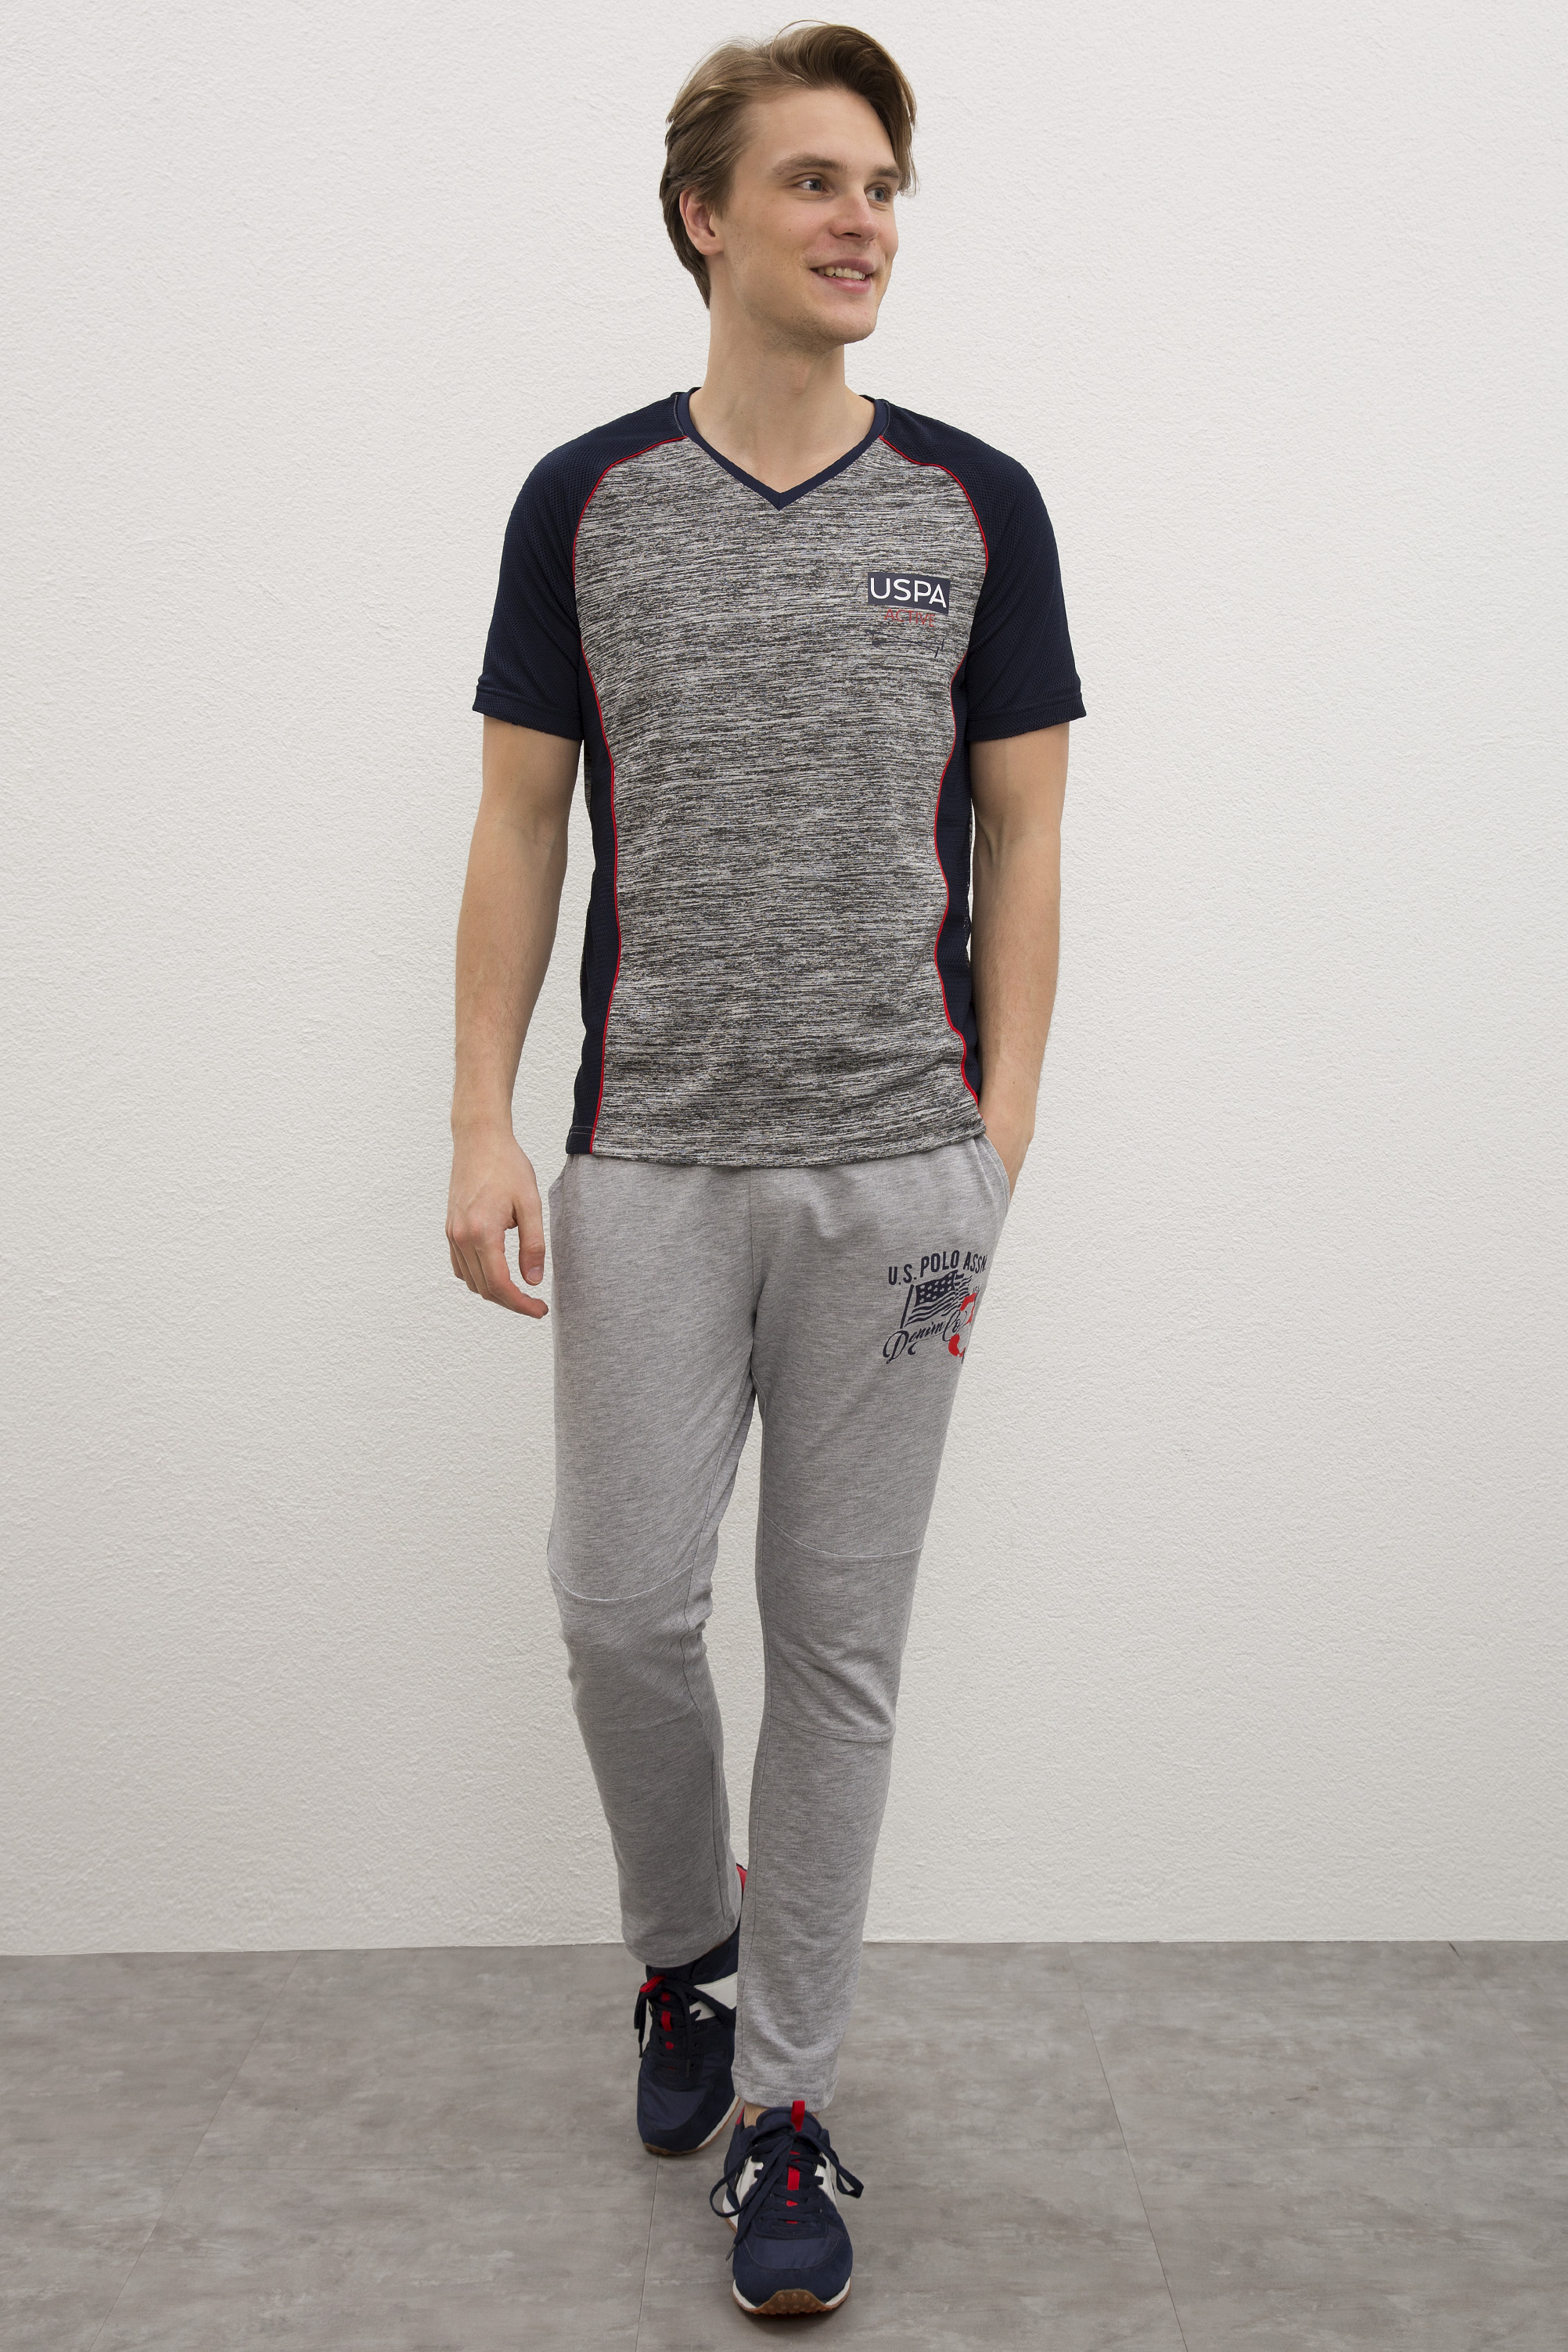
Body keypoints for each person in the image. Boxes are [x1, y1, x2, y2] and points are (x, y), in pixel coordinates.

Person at [447, 22, 1082, 2320]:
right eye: (814, 180)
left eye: (883, 184)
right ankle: (682, 1957)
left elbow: (1025, 840)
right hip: (648, 1160)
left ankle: (788, 2101)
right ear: (705, 215)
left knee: (838, 1646)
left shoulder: (978, 505)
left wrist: (995, 1148)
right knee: (621, 1608)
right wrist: (478, 1116)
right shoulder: (587, 500)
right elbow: (521, 820)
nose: (860, 220)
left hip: (896, 1178)